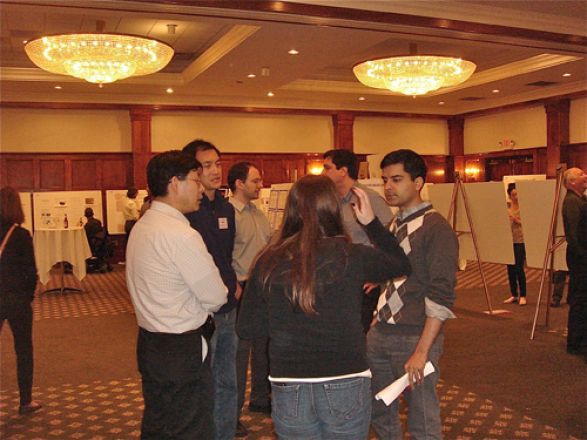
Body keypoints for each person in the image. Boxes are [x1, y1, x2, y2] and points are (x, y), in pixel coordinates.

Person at [237, 174, 410, 439]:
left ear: (292, 209)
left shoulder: (268, 260)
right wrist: (371, 224)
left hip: (289, 379)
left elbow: (248, 327)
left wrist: (285, 322)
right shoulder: (351, 255)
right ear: (333, 208)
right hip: (345, 374)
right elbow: (401, 264)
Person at [126, 151, 227, 439]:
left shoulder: (143, 226)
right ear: (174, 183)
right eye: (195, 180)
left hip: (150, 342)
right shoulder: (181, 234)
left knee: (158, 423)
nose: (201, 188)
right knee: (191, 427)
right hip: (181, 349)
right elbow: (217, 296)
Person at [368, 149, 458, 440]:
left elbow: (441, 295)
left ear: (418, 182)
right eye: (385, 180)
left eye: (396, 179)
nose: (388, 187)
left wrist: (422, 351)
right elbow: (394, 279)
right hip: (381, 333)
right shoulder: (394, 224)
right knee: (381, 410)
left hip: (416, 335)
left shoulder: (436, 228)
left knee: (422, 417)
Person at [182, 139, 239, 440]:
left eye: (217, 163)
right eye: (206, 165)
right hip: (200, 312)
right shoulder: (188, 211)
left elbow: (226, 256)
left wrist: (235, 285)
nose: (216, 170)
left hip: (228, 308)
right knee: (203, 383)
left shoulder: (227, 208)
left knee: (228, 381)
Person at [322, 149, 393, 332]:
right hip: (337, 279)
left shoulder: (369, 199)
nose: (323, 173)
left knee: (360, 336)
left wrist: (380, 275)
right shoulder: (330, 201)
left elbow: (390, 239)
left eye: (327, 168)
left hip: (363, 282)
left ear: (343, 171)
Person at [228, 162, 273, 437]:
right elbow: (221, 255)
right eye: (255, 181)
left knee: (264, 348)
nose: (260, 185)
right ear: (239, 183)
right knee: (238, 355)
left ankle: (260, 400)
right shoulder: (228, 214)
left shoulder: (259, 213)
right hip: (240, 290)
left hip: (263, 289)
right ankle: (231, 415)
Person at [0, 187, 41, 415]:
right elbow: (31, 272)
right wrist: (27, 297)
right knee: (23, 349)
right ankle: (26, 400)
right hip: (17, 300)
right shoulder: (22, 235)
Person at [561, 167, 587, 360]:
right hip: (580, 257)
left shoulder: (579, 200)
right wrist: (583, 256)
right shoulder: (572, 202)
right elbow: (575, 235)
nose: (585, 176)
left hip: (580, 255)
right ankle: (575, 341)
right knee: (579, 299)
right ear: (571, 182)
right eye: (581, 175)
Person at [503, 183, 527, 306]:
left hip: (520, 240)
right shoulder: (507, 208)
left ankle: (523, 295)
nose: (515, 197)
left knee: (519, 267)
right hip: (509, 240)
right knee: (510, 268)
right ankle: (513, 294)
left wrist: (517, 220)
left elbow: (529, 224)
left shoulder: (524, 208)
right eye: (513, 194)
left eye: (517, 194)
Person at [83, 207, 113, 273]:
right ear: (93, 214)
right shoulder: (98, 222)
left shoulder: (87, 226)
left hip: (93, 245)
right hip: (101, 244)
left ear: (85, 215)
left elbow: (86, 237)